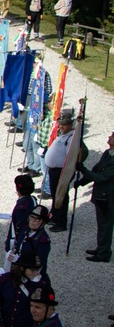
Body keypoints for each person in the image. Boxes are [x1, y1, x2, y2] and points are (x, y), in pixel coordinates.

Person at [76, 130, 114, 263]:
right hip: (101, 195)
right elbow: (96, 170)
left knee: (105, 225)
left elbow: (102, 177)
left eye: (112, 136)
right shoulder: (107, 153)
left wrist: (82, 170)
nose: (109, 137)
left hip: (108, 197)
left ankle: (104, 253)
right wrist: (82, 181)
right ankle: (101, 248)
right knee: (101, 224)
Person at [43, 110, 75, 232]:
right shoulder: (63, 134)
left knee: (61, 195)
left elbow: (70, 158)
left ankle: (61, 222)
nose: (61, 126)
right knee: (55, 194)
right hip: (54, 170)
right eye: (60, 124)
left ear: (70, 125)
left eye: (64, 124)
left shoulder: (72, 138)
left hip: (61, 171)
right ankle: (55, 216)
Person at [10, 205, 51, 276]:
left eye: (37, 219)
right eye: (32, 217)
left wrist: (19, 261)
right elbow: (18, 246)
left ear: (43, 222)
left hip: (31, 273)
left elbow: (38, 262)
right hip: (18, 268)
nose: (33, 221)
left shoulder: (43, 240)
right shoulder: (25, 229)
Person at [5, 175, 38, 256]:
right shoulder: (32, 199)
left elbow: (22, 230)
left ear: (17, 188)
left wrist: (14, 249)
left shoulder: (21, 209)